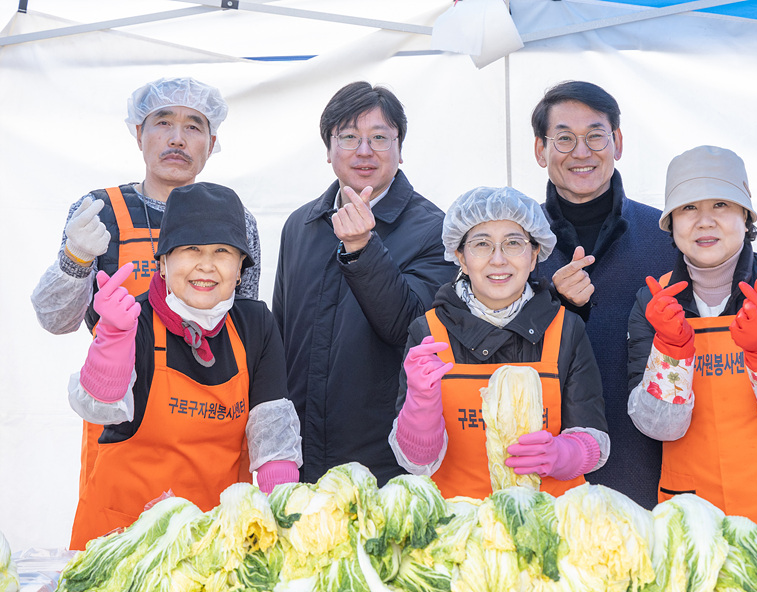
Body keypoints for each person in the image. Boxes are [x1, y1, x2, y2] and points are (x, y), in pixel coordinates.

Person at [531, 80, 757, 509]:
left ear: (617, 142)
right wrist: (552, 306)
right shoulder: (516, 248)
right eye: (563, 138)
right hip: (554, 464)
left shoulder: (665, 238)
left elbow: (751, 309)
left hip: (659, 475)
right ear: (540, 150)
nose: (581, 151)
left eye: (595, 135)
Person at [31, 76, 262, 495]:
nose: (178, 138)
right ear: (139, 133)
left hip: (214, 425)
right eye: (162, 123)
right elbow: (55, 320)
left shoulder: (237, 220)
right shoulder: (98, 212)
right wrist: (76, 258)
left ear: (211, 144)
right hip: (121, 415)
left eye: (194, 126)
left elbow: (246, 330)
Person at [66, 182, 302, 550]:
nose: (206, 265)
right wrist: (111, 339)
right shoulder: (133, 319)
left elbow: (274, 444)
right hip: (120, 543)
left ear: (241, 268)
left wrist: (287, 527)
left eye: (223, 251)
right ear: (163, 261)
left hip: (214, 545)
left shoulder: (255, 325)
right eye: (191, 249)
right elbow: (100, 407)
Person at [626, 146, 757, 524]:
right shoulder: (653, 301)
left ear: (746, 216)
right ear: (671, 222)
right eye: (688, 208)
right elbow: (661, 428)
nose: (705, 221)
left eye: (721, 205)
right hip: (697, 526)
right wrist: (671, 352)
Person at [272, 81, 456, 486]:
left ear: (400, 148)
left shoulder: (435, 230)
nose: (364, 150)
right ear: (328, 149)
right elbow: (282, 336)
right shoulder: (300, 226)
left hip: (388, 464)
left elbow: (407, 325)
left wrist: (362, 248)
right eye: (349, 137)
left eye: (379, 138)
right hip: (300, 458)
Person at [389, 186, 609, 499]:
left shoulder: (566, 329)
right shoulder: (427, 334)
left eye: (513, 244)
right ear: (461, 258)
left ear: (534, 256)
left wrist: (564, 454)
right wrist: (420, 403)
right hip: (459, 531)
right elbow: (416, 462)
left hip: (548, 528)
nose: (498, 259)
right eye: (481, 245)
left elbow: (594, 438)